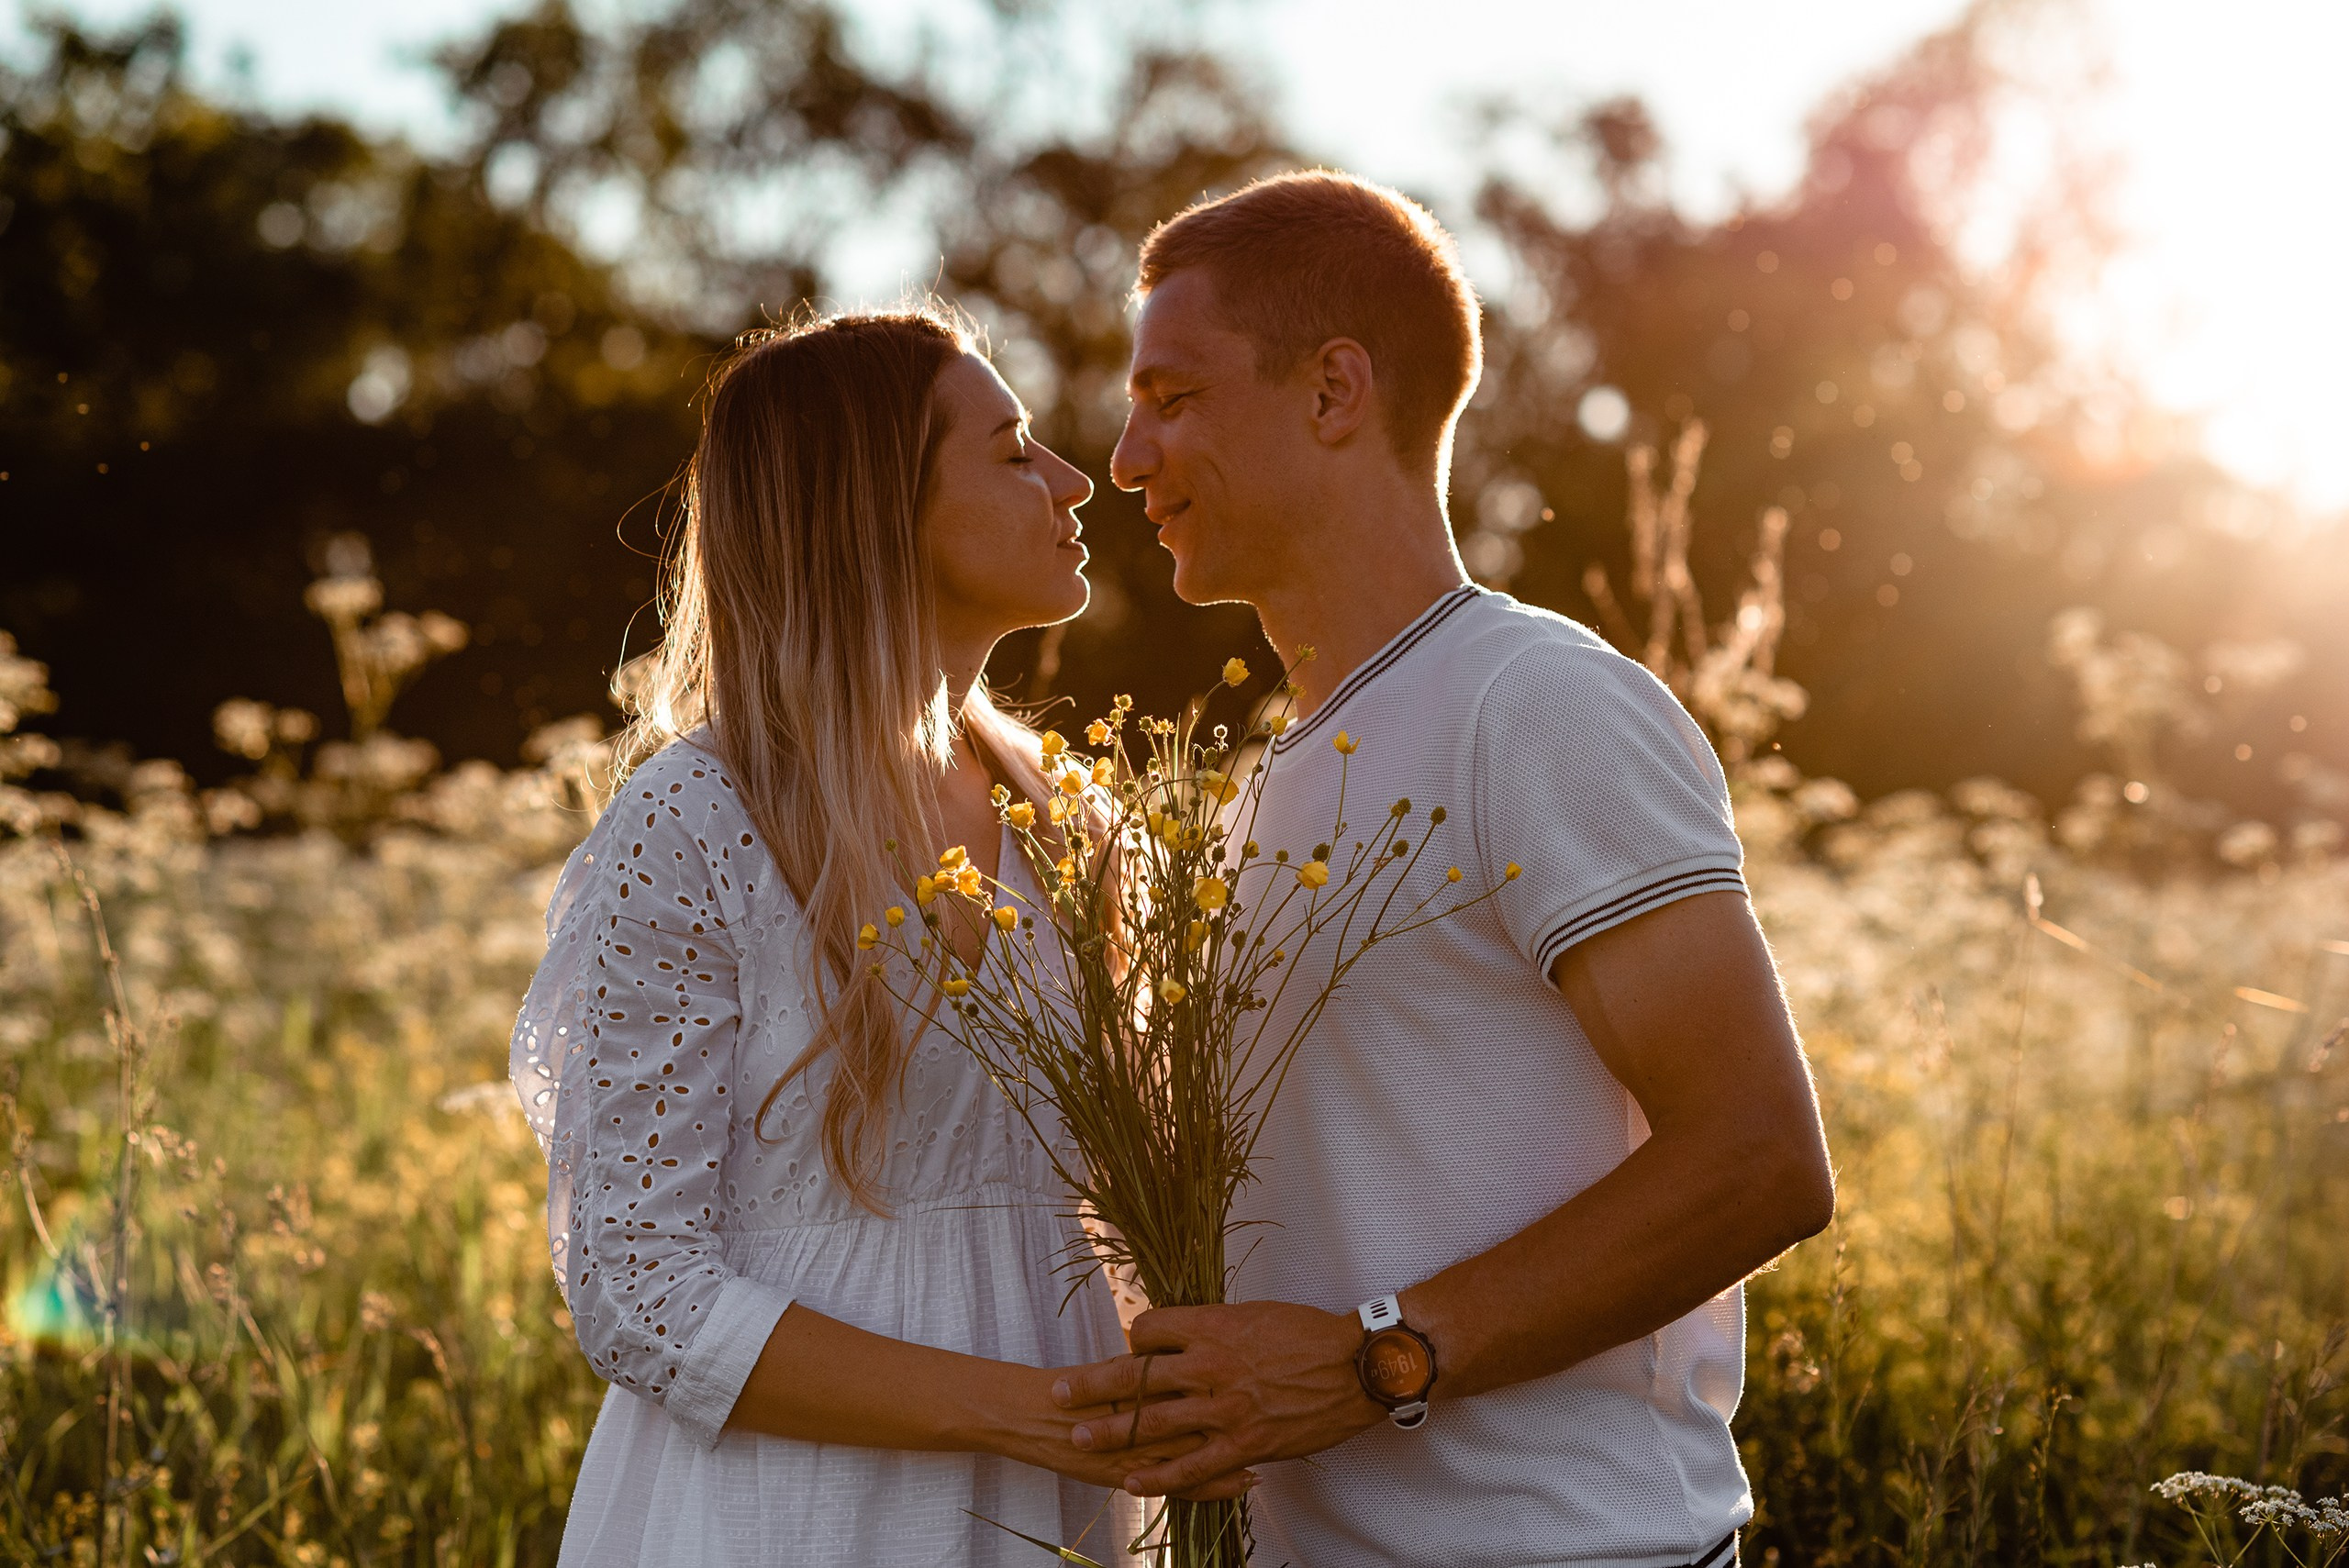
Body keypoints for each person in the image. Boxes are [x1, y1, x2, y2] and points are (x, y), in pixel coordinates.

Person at [1052, 172, 1839, 1567]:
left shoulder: (1534, 704)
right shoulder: (1261, 795)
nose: (1123, 457)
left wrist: (1382, 1360)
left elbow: (1762, 1158)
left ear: (1334, 392)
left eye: (1171, 396)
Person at [508, 305, 1230, 1566]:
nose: (1072, 481)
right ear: (870, 507)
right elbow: (636, 1288)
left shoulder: (1072, 818)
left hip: (1055, 1513)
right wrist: (1012, 1409)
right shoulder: (696, 823)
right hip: (779, 1517)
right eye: (1011, 451)